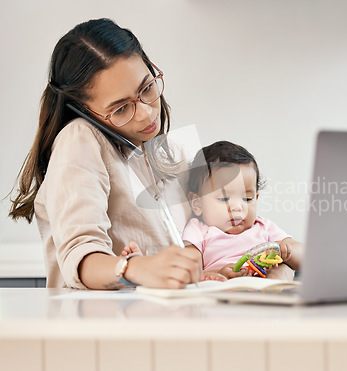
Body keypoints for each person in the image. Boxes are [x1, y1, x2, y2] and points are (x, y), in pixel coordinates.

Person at [8, 18, 201, 289]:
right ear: (84, 111)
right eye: (121, 108)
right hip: (105, 327)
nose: (146, 112)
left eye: (147, 88)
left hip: (170, 322)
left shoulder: (171, 150)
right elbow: (81, 257)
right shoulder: (80, 139)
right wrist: (135, 267)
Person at [182, 141, 304, 279]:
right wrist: (218, 273)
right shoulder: (199, 231)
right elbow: (190, 272)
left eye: (247, 199)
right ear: (197, 204)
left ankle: (272, 292)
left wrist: (287, 250)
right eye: (224, 199)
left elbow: (307, 258)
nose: (238, 207)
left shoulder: (263, 227)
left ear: (256, 197)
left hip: (264, 284)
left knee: (284, 269)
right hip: (225, 288)